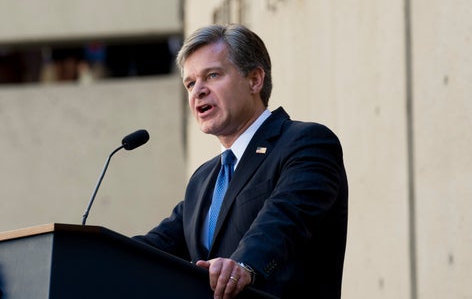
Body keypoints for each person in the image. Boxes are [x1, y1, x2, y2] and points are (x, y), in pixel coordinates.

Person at [135, 24, 348, 299]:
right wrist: (89, 255)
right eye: (190, 83)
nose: (197, 91)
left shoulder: (306, 143)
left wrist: (244, 265)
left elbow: (284, 220)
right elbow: (154, 248)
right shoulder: (204, 178)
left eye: (212, 75)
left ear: (255, 80)